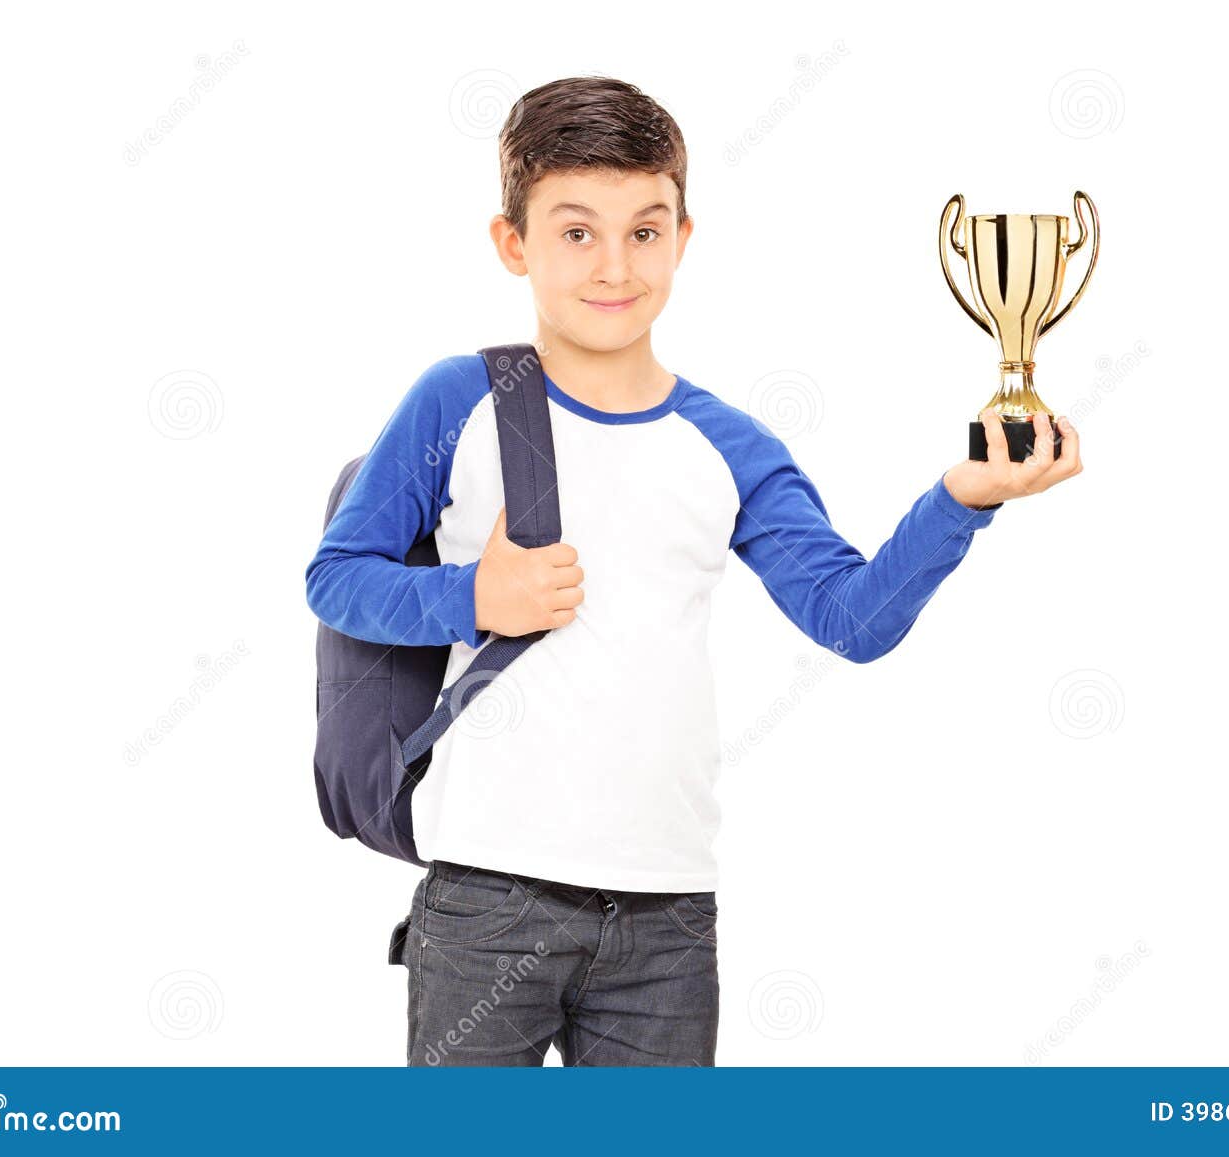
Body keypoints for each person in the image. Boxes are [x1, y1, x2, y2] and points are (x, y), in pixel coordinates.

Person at [303, 76, 1082, 1066]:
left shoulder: (729, 443)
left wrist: (963, 496)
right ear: (514, 243)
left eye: (645, 229)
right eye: (576, 231)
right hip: (486, 900)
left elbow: (852, 618)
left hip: (667, 921)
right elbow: (337, 575)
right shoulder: (459, 399)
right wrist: (472, 596)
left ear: (682, 235)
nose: (615, 264)